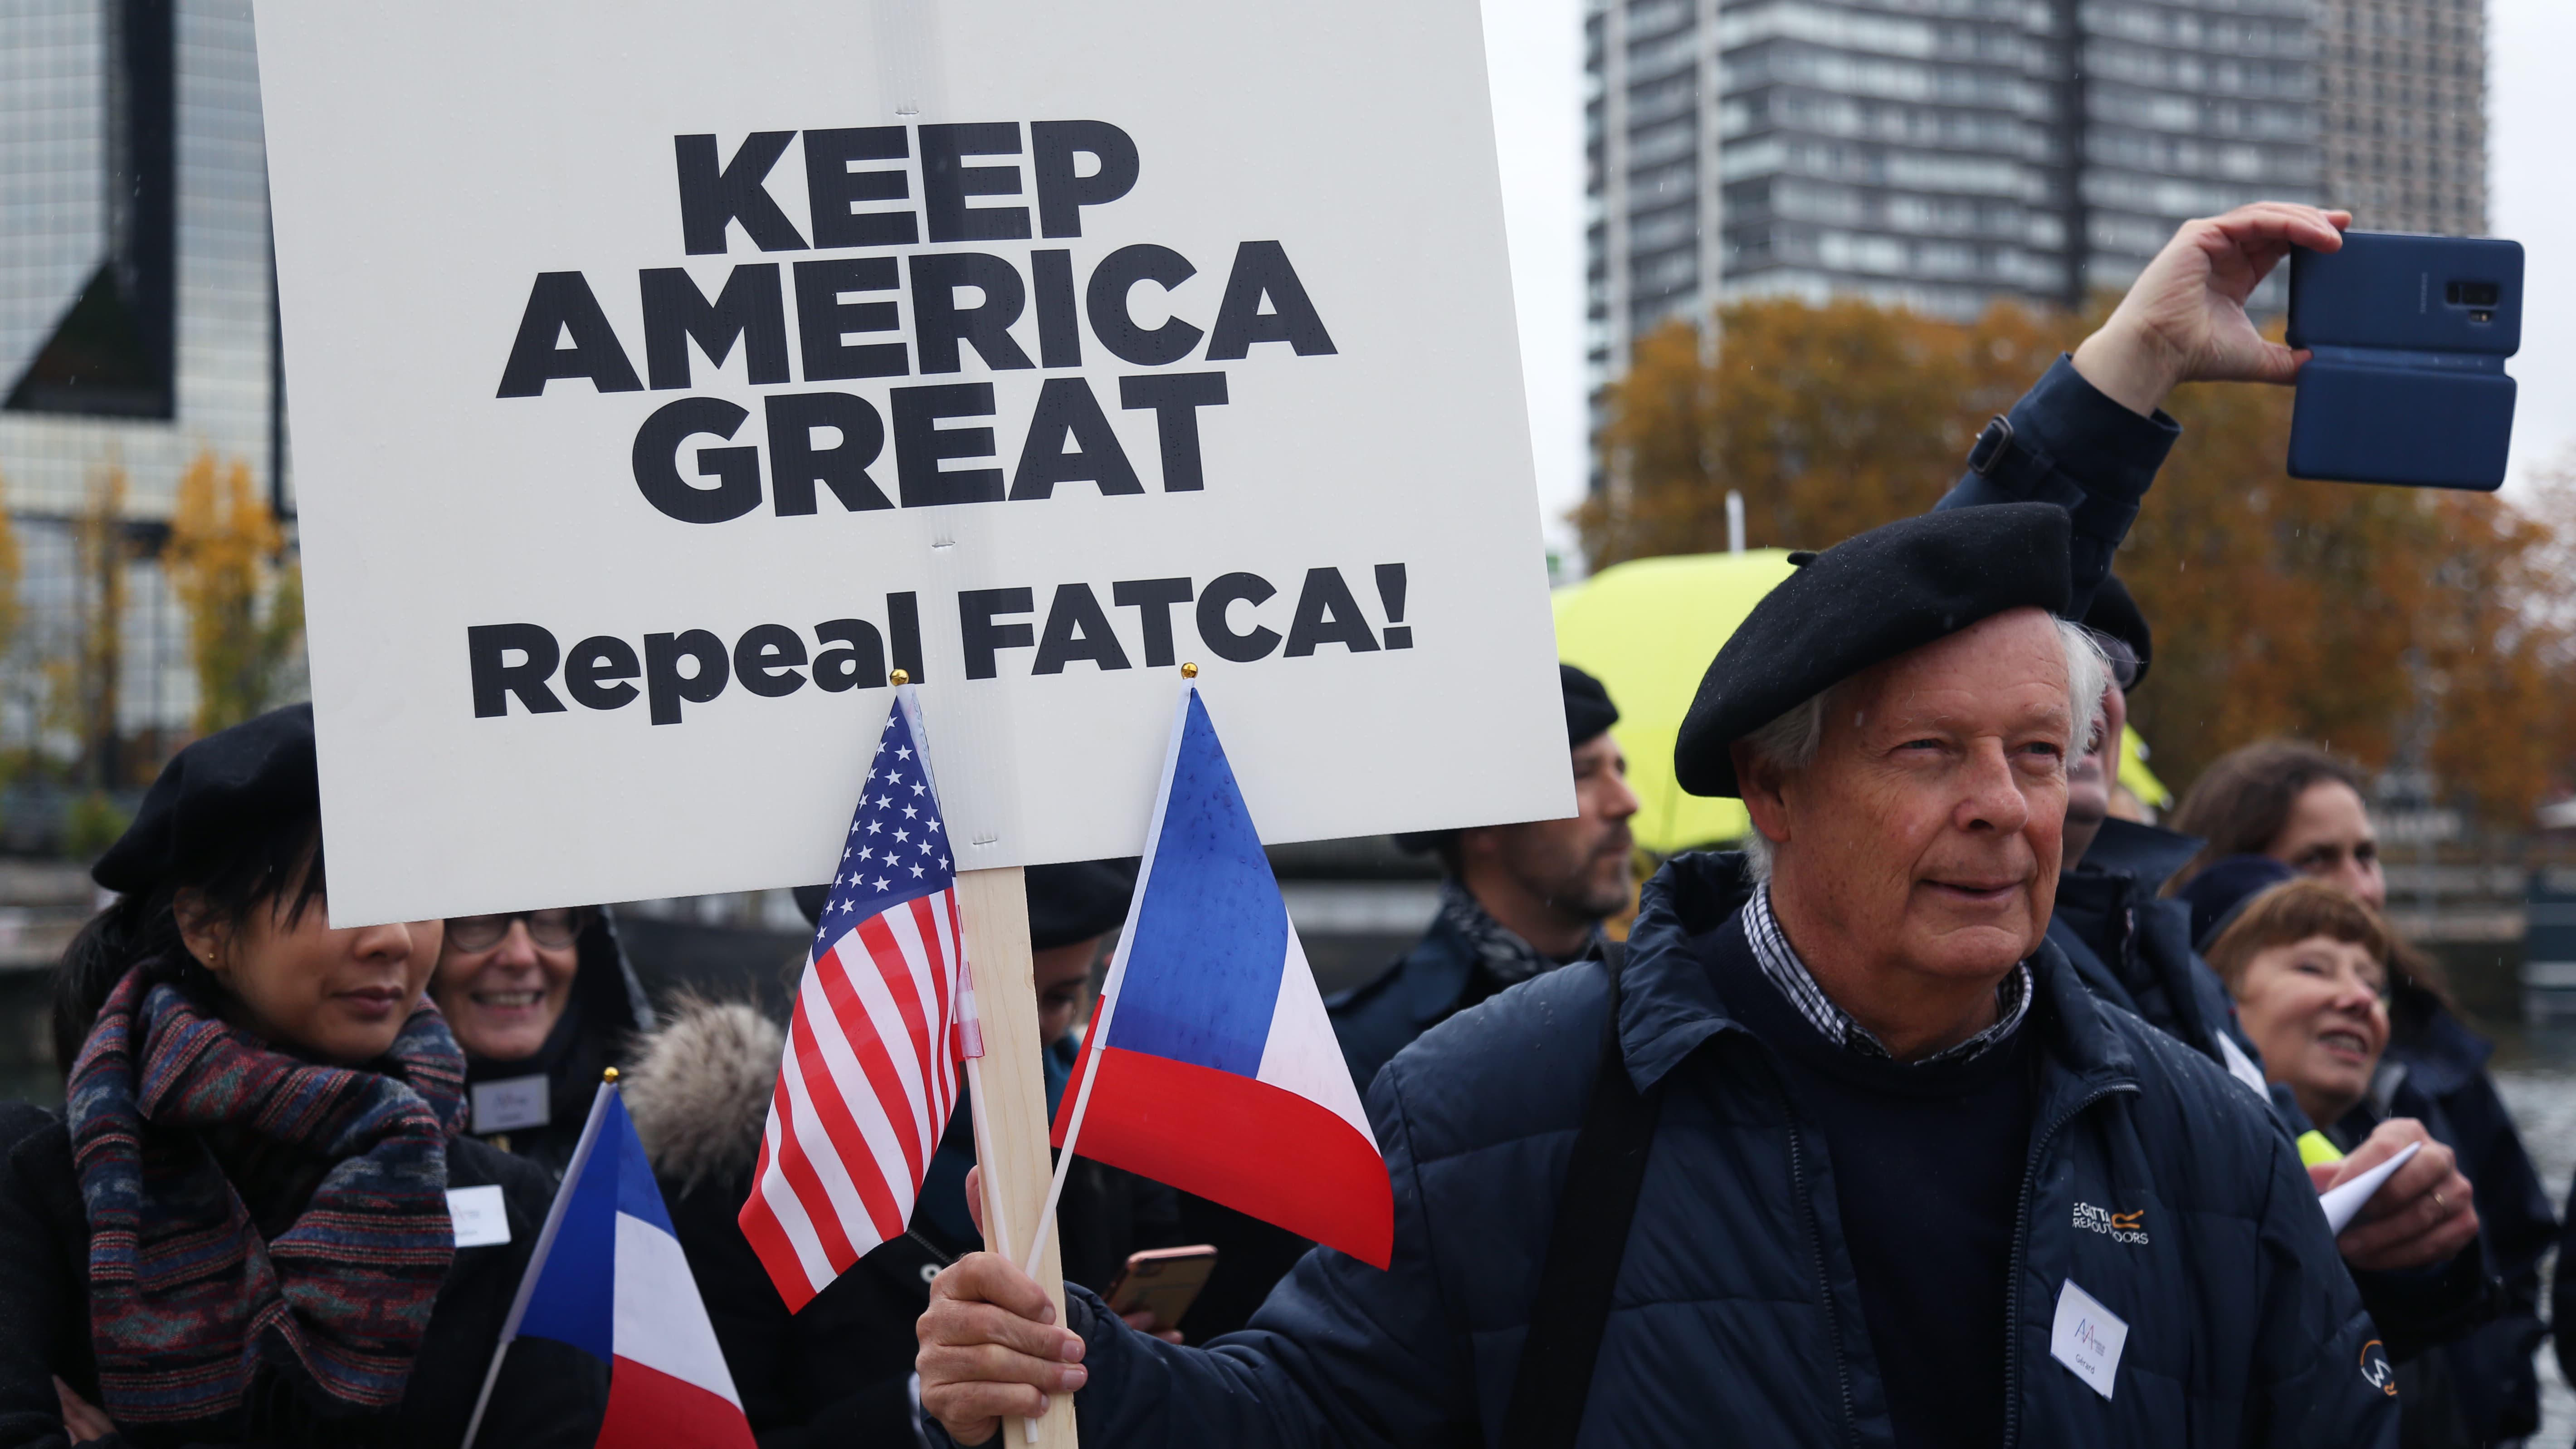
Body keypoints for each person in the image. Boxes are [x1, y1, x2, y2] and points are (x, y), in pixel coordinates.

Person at [917, 499, 2405, 1444]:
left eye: (2035, 754)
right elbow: (1306, 1417)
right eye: (1930, 753)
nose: (2004, 809)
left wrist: (2444, 1286)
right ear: (1775, 786)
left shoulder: (2205, 1141)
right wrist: (1069, 1375)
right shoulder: (1501, 1101)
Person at [0, 704, 601, 1449]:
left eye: (420, 895)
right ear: (205, 926)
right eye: (342, 895)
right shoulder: (40, 1179)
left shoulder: (517, 1204)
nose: (394, 938)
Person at [624, 859, 1179, 1448]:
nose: (1019, 1033)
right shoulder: (740, 1172)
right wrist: (927, 1408)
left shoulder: (1109, 1140)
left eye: (1058, 998)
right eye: (979, 998)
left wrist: (1138, 1368)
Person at [2171, 742, 2554, 1442]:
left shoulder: (2439, 1063)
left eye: (2368, 855)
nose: (2360, 886)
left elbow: (2516, 1261)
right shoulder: (2174, 1135)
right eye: (2318, 858)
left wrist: (2493, 1394)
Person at [2206, 879, 2542, 1449]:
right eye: (2313, 968)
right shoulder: (2190, 1172)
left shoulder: (2401, 1136)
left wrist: (2436, 1266)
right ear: (2219, 1002)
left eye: (2372, 983)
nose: (2361, 999)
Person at [1327, 663, 1639, 1095]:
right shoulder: (1355, 1055)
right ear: (1484, 823)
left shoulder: (1665, 1001)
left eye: (1620, 770)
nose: (1627, 801)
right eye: (1581, 774)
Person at [427, 902, 652, 1177]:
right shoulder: (379, 1139)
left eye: (550, 921)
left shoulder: (658, 1147)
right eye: (478, 923)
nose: (521, 956)